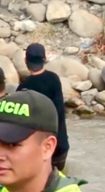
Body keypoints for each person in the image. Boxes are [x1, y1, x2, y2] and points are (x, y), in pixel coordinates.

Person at [18, 43, 69, 171]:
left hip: (41, 151)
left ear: (25, 61)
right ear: (44, 60)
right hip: (61, 146)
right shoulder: (54, 80)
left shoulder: (23, 90)